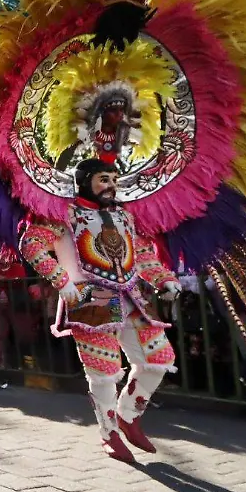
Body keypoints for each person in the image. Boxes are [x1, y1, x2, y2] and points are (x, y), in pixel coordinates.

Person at [19, 159, 181, 463]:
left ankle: (128, 415)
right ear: (84, 181)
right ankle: (109, 434)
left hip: (132, 297)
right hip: (90, 299)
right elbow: (31, 243)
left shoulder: (124, 215)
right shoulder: (61, 213)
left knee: (159, 360)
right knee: (104, 374)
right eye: (103, 178)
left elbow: (143, 254)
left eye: (114, 179)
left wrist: (164, 279)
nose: (111, 185)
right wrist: (61, 279)